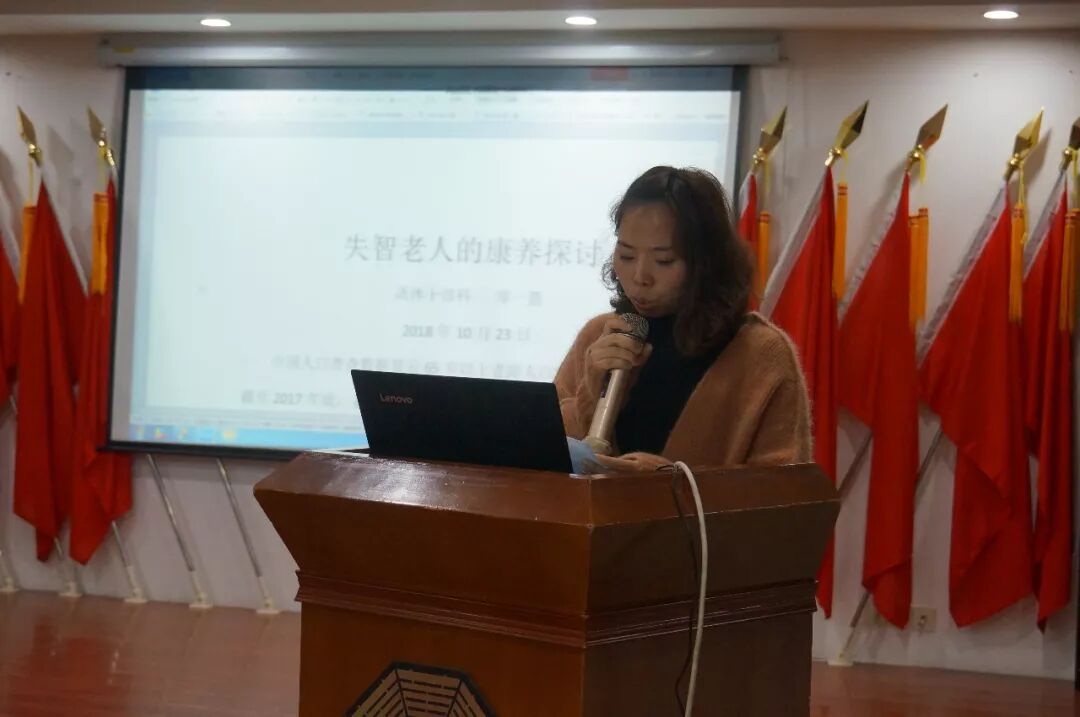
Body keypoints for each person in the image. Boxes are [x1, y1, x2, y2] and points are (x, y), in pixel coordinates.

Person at [554, 165, 812, 472]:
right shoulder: (599, 333)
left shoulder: (760, 353)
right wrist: (592, 388)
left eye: (664, 261)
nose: (640, 276)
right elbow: (544, 456)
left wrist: (660, 478)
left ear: (706, 263)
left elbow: (783, 488)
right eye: (626, 256)